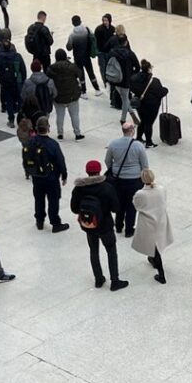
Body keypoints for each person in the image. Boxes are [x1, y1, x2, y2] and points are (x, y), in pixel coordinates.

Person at [71, 160, 127, 290]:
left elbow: (74, 209)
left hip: (88, 225)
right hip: (105, 226)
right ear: (99, 171)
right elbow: (115, 208)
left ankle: (98, 279)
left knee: (93, 251)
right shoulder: (107, 187)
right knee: (111, 252)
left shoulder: (79, 188)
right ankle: (115, 281)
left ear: (87, 172)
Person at [25, 117, 70, 233]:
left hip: (36, 176)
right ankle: (55, 223)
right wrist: (64, 175)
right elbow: (60, 161)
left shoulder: (31, 141)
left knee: (39, 199)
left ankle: (39, 221)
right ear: (48, 128)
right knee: (53, 200)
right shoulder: (52, 144)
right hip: (51, 178)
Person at [105, 121, 148, 237]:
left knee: (120, 202)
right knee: (132, 205)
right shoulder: (138, 145)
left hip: (118, 179)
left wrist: (113, 169)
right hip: (134, 180)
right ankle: (129, 229)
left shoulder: (113, 144)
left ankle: (118, 226)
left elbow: (107, 160)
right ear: (132, 131)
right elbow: (145, 165)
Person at [131, 168, 173, 284]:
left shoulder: (141, 194)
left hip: (148, 223)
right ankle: (153, 259)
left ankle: (161, 274)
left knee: (154, 248)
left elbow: (136, 205)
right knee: (156, 244)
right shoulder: (161, 189)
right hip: (161, 219)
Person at [47, 49, 83, 140]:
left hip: (58, 97)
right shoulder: (71, 66)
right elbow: (80, 74)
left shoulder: (51, 68)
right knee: (74, 116)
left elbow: (48, 77)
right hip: (72, 95)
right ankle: (77, 133)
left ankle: (60, 133)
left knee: (59, 116)